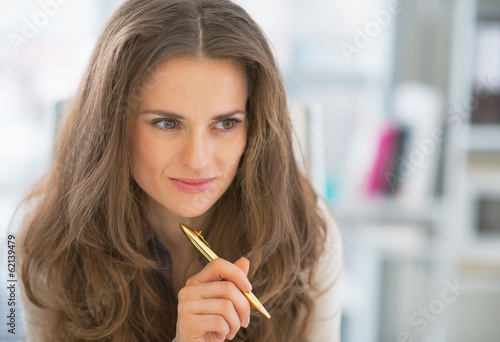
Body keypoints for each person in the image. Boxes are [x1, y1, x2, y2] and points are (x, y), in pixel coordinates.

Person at [17, 0, 342, 341]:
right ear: (113, 126)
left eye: (226, 123)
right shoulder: (49, 245)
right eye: (167, 123)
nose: (198, 159)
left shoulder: (309, 233)